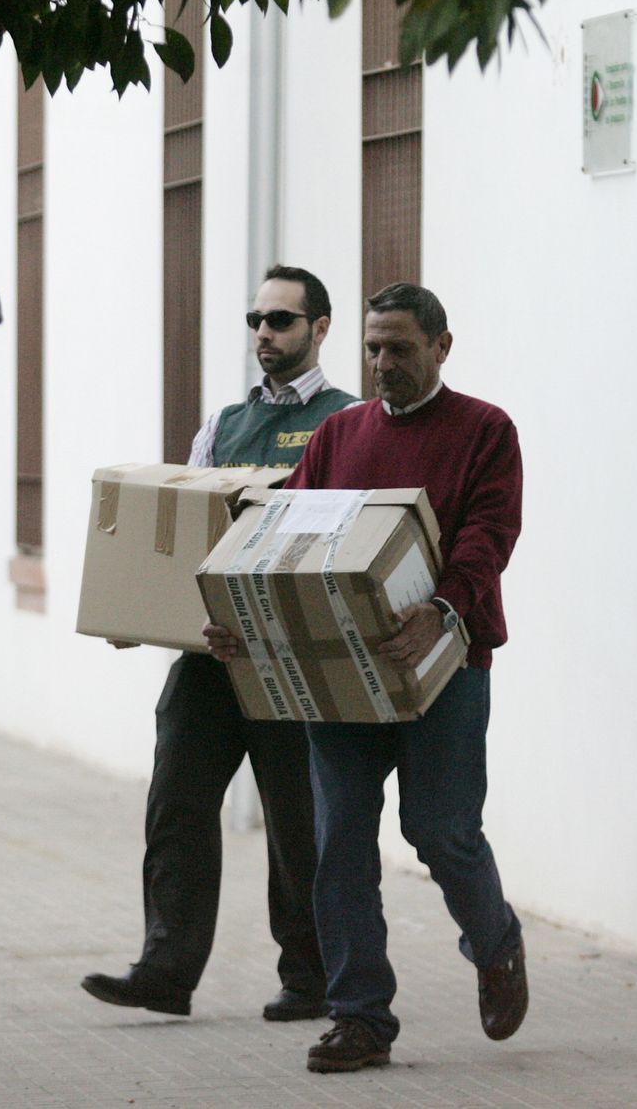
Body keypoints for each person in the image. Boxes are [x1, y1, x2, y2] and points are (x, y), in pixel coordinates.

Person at [205, 281, 528, 1073]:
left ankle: (496, 941)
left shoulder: (485, 429)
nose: (383, 363)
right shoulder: (340, 433)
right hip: (341, 671)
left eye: (401, 349)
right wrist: (246, 623)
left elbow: (490, 531)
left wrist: (443, 604)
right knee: (340, 839)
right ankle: (359, 1017)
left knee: (440, 830)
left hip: (443, 661)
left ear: (441, 348)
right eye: (373, 349)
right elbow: (289, 542)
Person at [82, 265, 359, 1022]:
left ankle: (309, 978)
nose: (265, 334)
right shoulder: (223, 425)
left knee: (297, 822)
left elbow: (342, 538)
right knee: (176, 805)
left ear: (320, 328)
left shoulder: (347, 422)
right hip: (208, 654)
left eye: (282, 321)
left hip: (286, 655)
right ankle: (165, 970)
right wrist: (141, 609)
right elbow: (188, 539)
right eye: (257, 321)